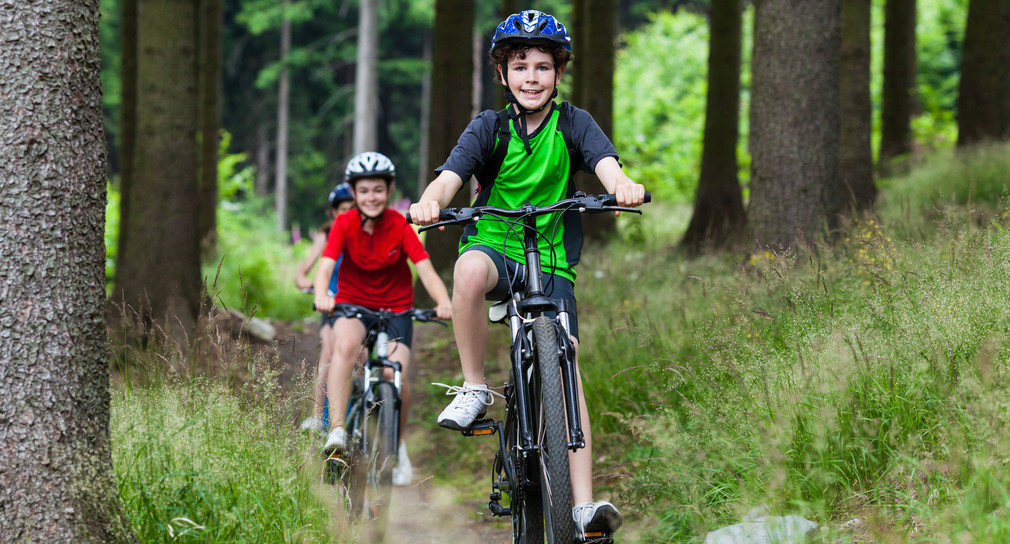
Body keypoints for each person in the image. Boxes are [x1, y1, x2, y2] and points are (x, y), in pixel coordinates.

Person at [407, 9, 646, 539]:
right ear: (503, 75)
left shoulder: (574, 123)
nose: (531, 77)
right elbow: (450, 177)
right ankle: (473, 388)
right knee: (467, 268)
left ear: (558, 73)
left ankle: (583, 507)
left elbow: (607, 165)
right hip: (497, 246)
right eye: (520, 67)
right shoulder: (488, 127)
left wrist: (623, 184)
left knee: (568, 357)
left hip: (553, 259)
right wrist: (428, 201)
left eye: (542, 66)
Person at [314, 151, 452, 487]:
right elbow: (326, 264)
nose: (371, 197)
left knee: (396, 374)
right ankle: (337, 435)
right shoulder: (343, 224)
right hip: (352, 305)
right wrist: (322, 295)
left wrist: (444, 301)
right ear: (354, 193)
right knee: (344, 349)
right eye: (363, 191)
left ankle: (398, 444)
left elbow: (425, 270)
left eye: (378, 189)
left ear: (389, 190)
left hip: (396, 309)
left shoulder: (400, 225)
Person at [296, 182, 355, 436]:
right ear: (333, 212)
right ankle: (318, 417)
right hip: (332, 304)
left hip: (359, 303)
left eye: (352, 208)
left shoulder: (364, 231)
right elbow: (303, 269)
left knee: (363, 357)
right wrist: (305, 282)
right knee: (328, 354)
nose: (348, 213)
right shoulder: (326, 234)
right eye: (342, 208)